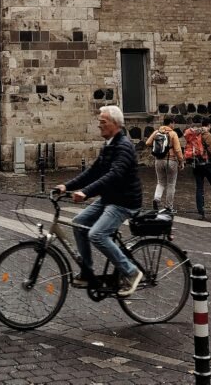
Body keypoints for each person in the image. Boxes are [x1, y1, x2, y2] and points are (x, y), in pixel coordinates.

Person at [56, 105, 144, 297]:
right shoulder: (109, 145)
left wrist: (86, 193)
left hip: (124, 201)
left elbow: (114, 175)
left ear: (115, 124)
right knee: (79, 224)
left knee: (97, 235)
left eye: (102, 122)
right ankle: (88, 272)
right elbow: (93, 172)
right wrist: (67, 186)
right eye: (99, 122)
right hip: (110, 198)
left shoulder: (123, 147)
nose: (99, 126)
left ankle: (131, 272)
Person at [186, 115, 211, 219]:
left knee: (199, 188)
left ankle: (201, 211)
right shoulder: (207, 134)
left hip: (196, 164)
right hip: (207, 164)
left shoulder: (194, 133)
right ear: (209, 125)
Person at [146, 115, 184, 212]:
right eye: (173, 123)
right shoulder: (173, 134)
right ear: (170, 123)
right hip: (171, 160)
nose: (174, 124)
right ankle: (168, 207)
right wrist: (181, 161)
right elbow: (177, 149)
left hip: (158, 160)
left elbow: (147, 143)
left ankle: (157, 198)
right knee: (171, 184)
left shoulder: (156, 132)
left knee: (161, 182)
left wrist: (158, 145)